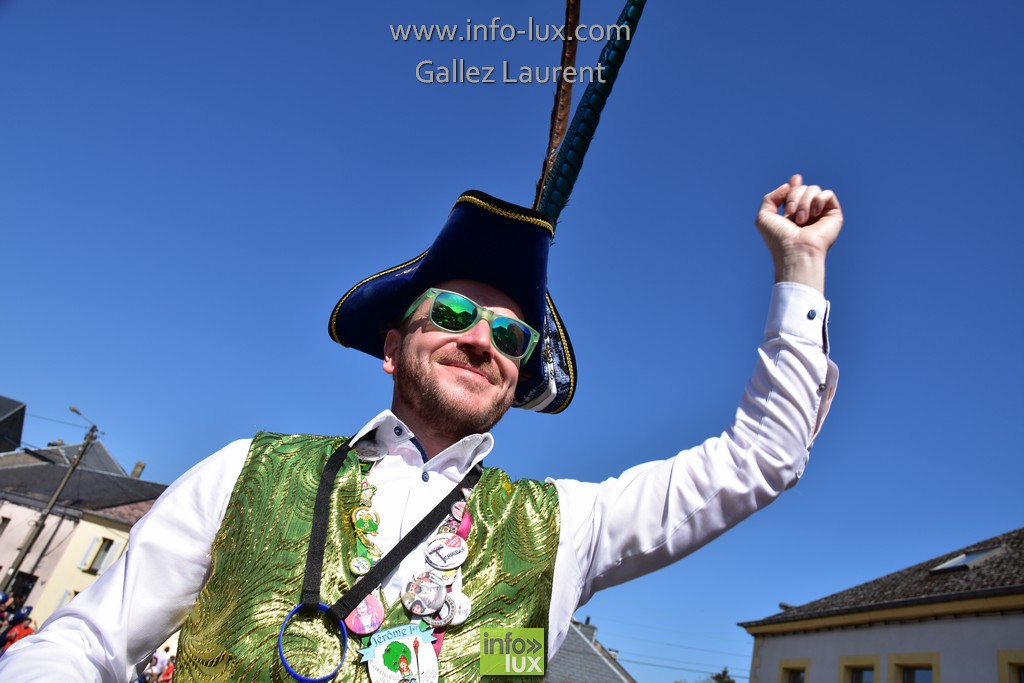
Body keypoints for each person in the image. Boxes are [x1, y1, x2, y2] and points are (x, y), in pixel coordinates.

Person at [0, 175, 843, 682]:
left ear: (516, 380)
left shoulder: (572, 527)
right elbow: (89, 643)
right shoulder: (244, 470)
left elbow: (763, 456)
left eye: (514, 336)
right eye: (454, 313)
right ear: (393, 346)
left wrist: (800, 268)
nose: (485, 338)